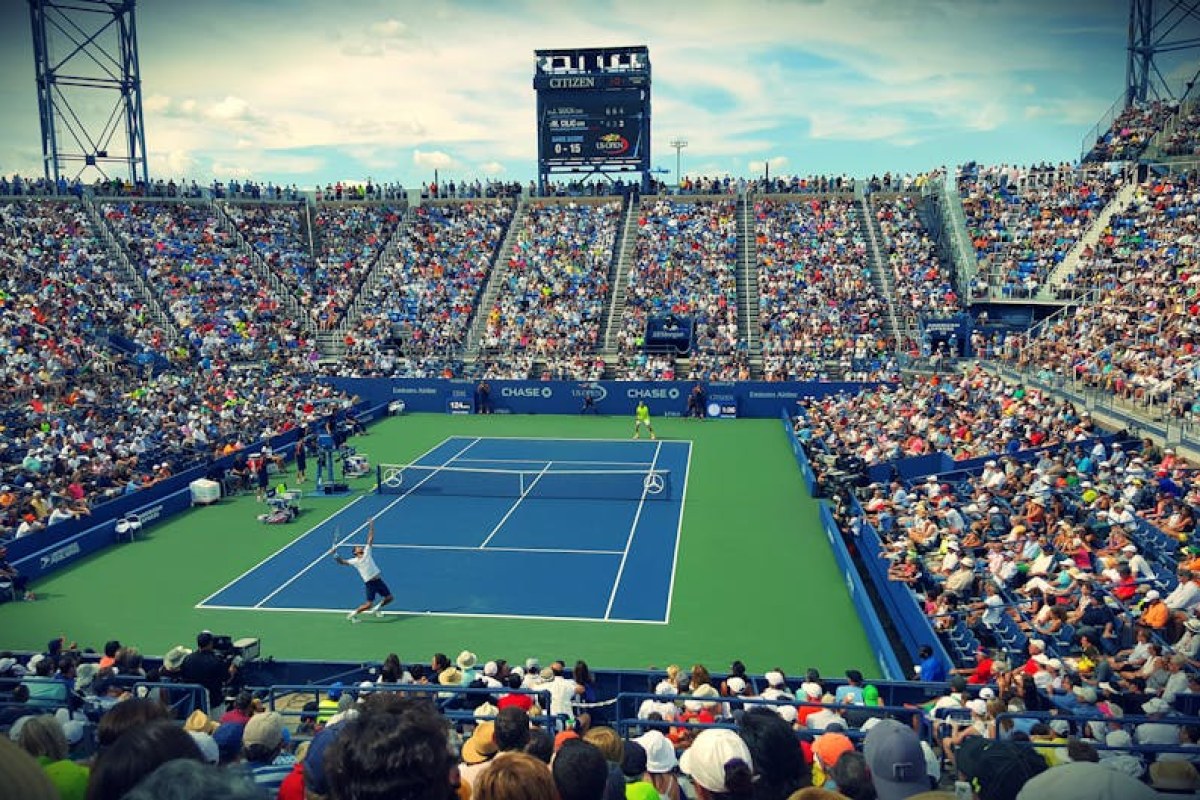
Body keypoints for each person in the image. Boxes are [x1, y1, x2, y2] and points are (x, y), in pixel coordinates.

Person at [333, 518, 394, 622]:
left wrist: (371, 525)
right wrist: (335, 554)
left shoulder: (367, 552)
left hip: (379, 581)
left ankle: (376, 609)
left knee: (389, 598)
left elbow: (370, 538)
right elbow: (342, 562)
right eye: (357, 548)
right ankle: (352, 614)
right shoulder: (354, 561)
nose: (360, 547)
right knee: (368, 604)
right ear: (355, 552)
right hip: (370, 583)